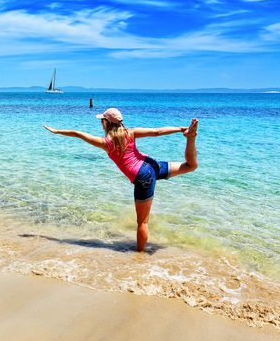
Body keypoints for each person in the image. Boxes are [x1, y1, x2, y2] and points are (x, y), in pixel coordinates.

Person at [44, 108, 198, 252]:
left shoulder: (105, 143)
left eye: (102, 120)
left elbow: (78, 133)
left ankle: (140, 257)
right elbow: (156, 132)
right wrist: (181, 129)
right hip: (152, 165)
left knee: (142, 222)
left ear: (106, 123)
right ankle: (190, 138)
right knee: (190, 166)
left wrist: (57, 131)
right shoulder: (130, 133)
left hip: (143, 176)